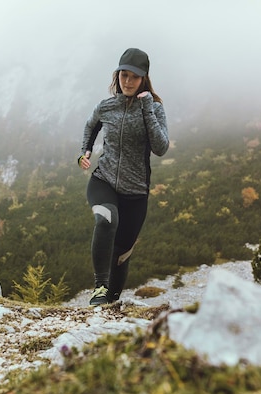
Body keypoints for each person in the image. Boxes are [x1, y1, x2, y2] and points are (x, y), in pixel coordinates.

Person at [77, 47, 169, 305]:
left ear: (144, 79)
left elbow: (161, 148)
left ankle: (112, 301)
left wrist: (147, 109)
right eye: (123, 75)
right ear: (116, 76)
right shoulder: (107, 106)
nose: (127, 82)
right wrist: (84, 151)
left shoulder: (155, 109)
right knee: (106, 219)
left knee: (122, 255)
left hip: (136, 193)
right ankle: (99, 288)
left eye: (134, 77)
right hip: (103, 180)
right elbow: (90, 125)